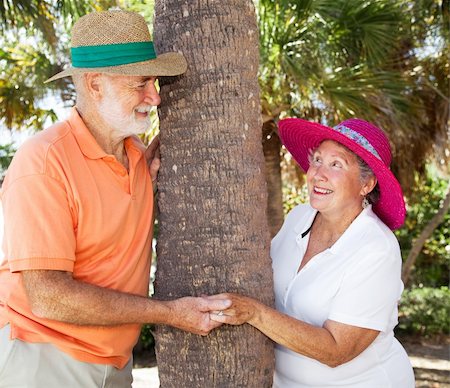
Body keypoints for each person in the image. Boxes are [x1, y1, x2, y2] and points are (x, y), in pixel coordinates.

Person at [0, 10, 230, 387]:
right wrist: (170, 313)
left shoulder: (138, 156)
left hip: (115, 366)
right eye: (140, 84)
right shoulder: (43, 162)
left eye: (153, 82)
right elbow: (47, 297)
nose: (154, 97)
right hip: (42, 358)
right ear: (94, 84)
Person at [211, 118, 415, 387]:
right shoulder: (300, 217)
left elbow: (336, 349)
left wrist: (254, 313)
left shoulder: (376, 249)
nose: (317, 173)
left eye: (336, 165)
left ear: (366, 184)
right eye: (317, 160)